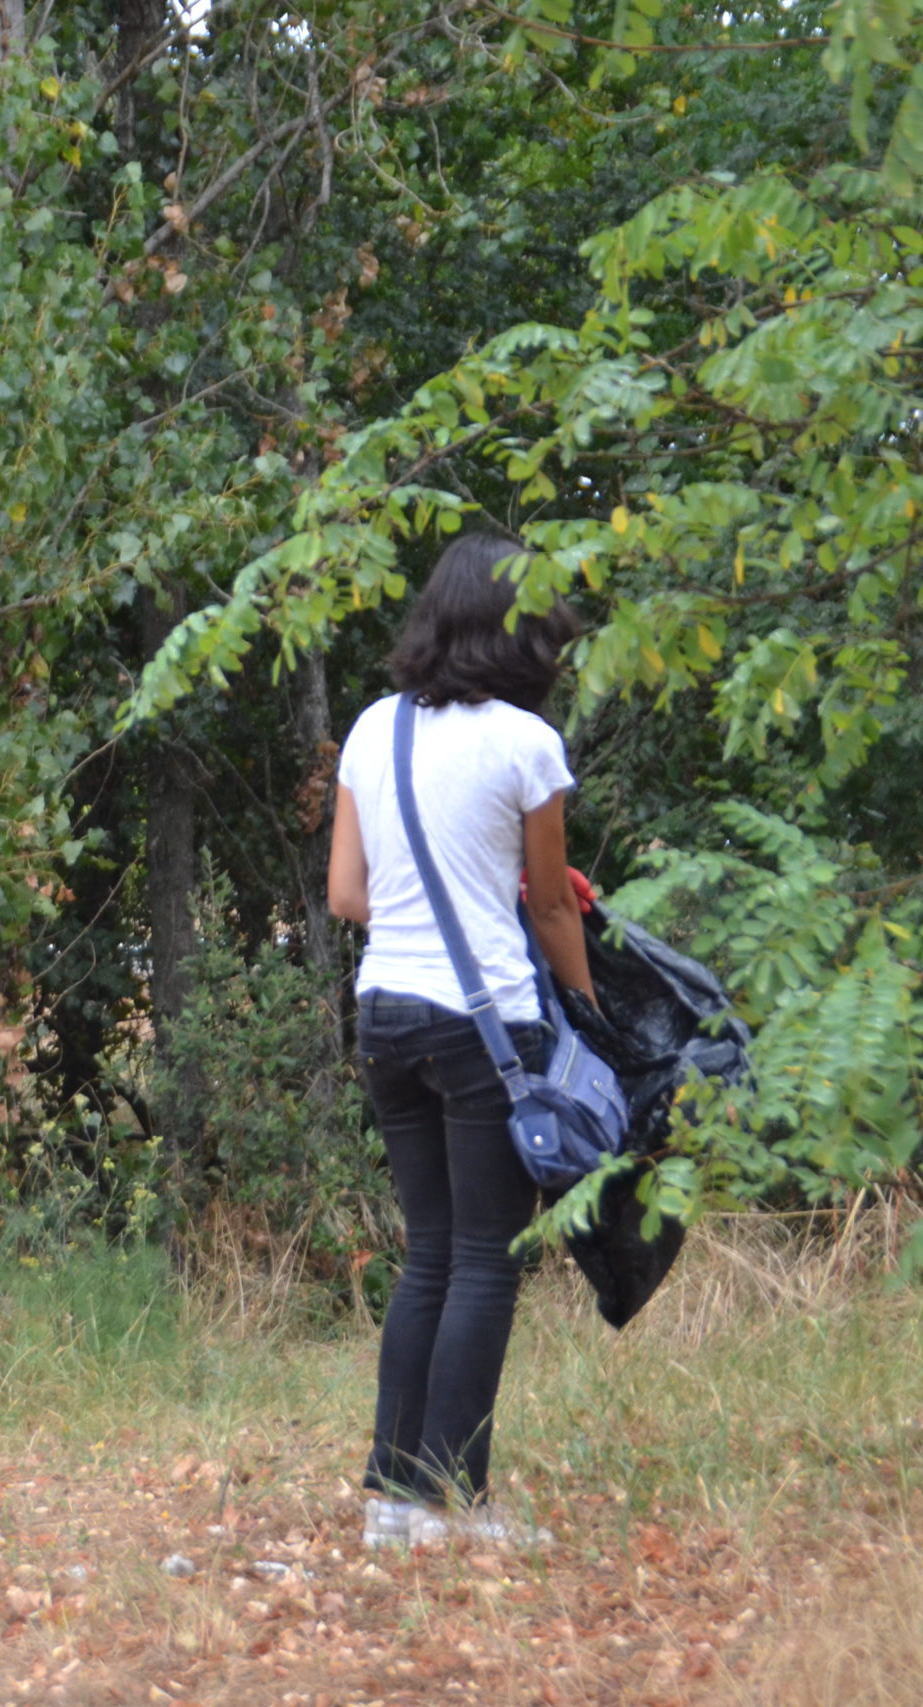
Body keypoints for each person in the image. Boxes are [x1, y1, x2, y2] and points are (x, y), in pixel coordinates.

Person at [324, 533, 594, 1550]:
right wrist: (590, 1014)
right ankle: (450, 1501)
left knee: (428, 1254)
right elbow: (553, 911)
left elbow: (346, 894)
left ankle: (393, 1500)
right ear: (519, 631)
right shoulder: (526, 744)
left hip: (384, 1014)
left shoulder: (373, 728)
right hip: (486, 1024)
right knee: (485, 1259)